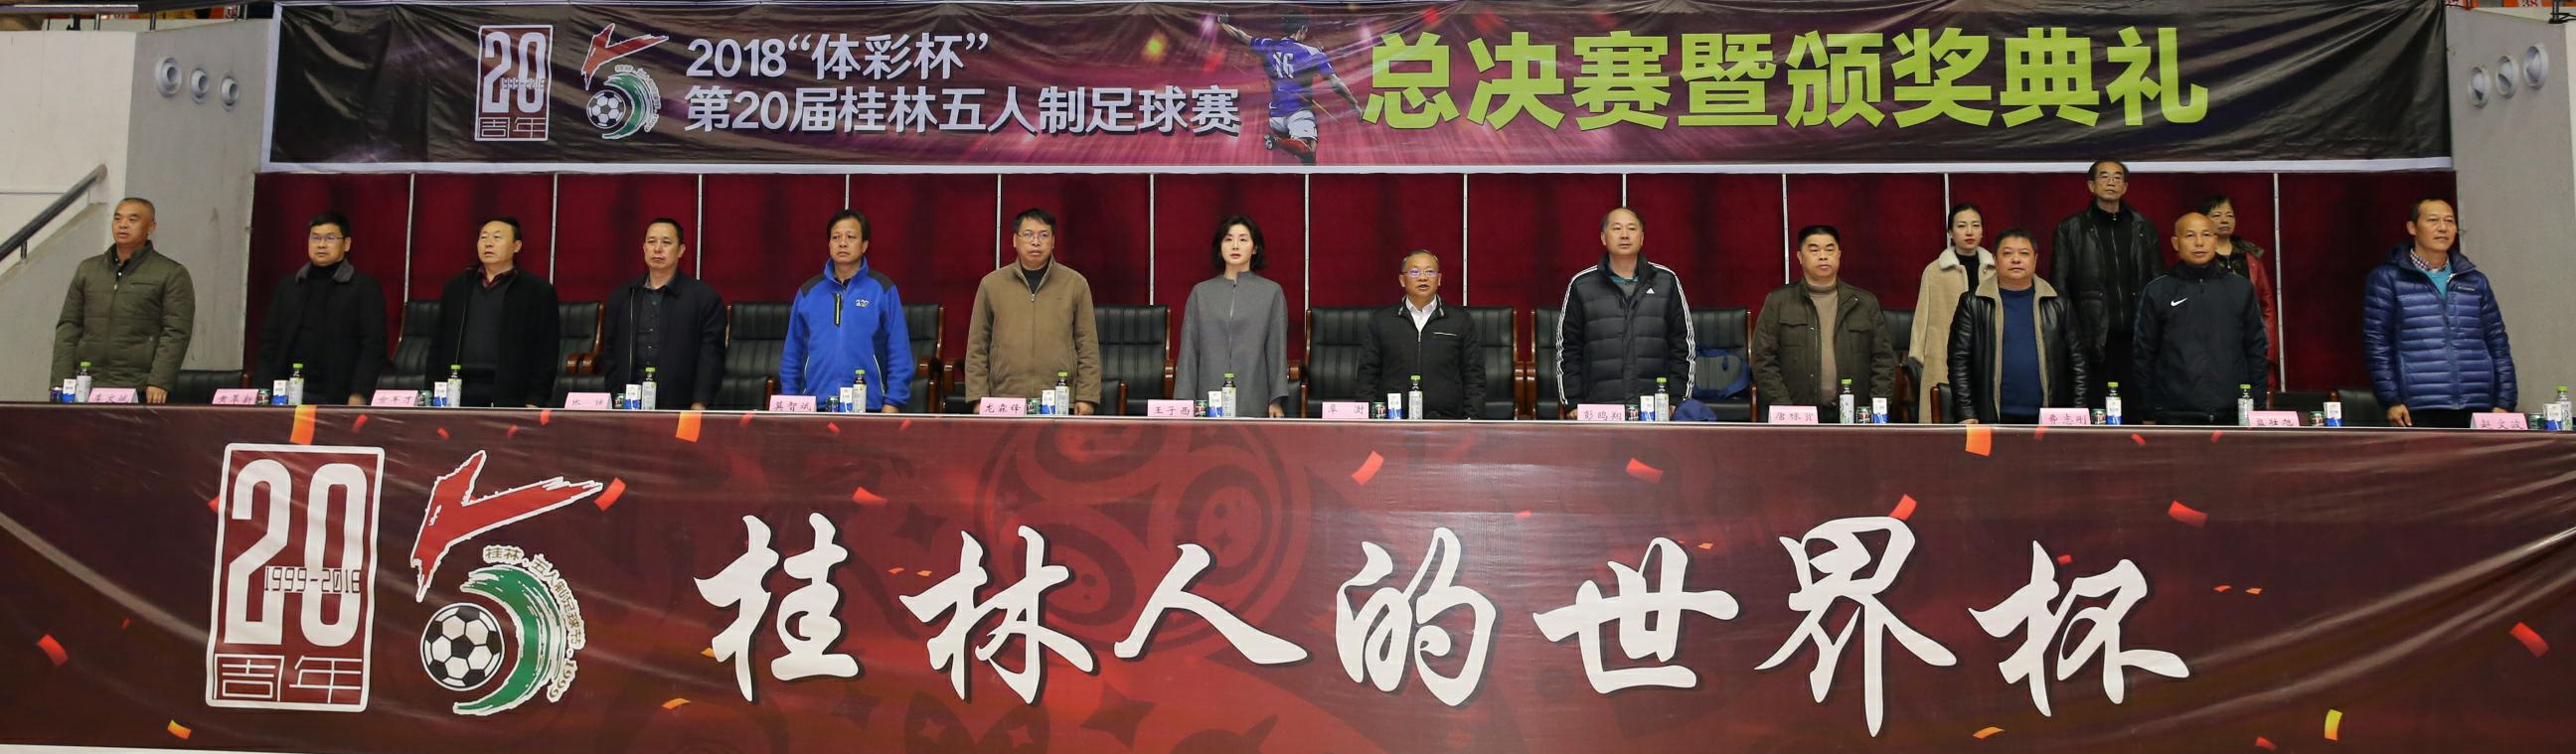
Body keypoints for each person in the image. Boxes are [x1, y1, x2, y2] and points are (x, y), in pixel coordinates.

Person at [2361, 199, 2517, 428]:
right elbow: (2377, 343)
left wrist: (2504, 401)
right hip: (2417, 405)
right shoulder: (2387, 278)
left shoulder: (2475, 281)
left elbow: (2497, 343)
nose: (2443, 228)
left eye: (2449, 221)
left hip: (2477, 402)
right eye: (2433, 220)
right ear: (2412, 227)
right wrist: (2391, 400)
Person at [53, 198, 194, 403]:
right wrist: (61, 381)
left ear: (151, 227)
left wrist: (160, 381)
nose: (123, 225)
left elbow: (176, 332)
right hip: (86, 382)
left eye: (132, 219)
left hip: (139, 385)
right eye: (117, 218)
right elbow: (69, 326)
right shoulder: (88, 270)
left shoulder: (170, 273)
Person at [2131, 214, 2267, 425]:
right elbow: (2144, 355)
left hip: (2233, 413)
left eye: (2206, 235)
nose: (2199, 242)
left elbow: (2256, 349)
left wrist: (2257, 406)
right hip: (2175, 415)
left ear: (2215, 240)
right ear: (2175, 243)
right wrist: (2148, 411)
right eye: (2190, 236)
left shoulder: (2240, 288)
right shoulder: (2158, 291)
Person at [1752, 225, 1896, 421]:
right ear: (1799, 257)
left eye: (1829, 250)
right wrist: (1784, 407)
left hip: (1856, 415)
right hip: (1798, 414)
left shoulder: (1864, 302)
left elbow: (1883, 360)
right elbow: (1763, 359)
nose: (1822, 256)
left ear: (1839, 255)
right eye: (1814, 250)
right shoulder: (1779, 301)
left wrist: (1875, 411)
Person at [1555, 208, 1693, 413]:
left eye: (1631, 228)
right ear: (1603, 237)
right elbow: (1569, 349)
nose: (1625, 235)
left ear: (1642, 237)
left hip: (1656, 408)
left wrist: (1677, 400)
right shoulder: (1582, 285)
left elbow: (1682, 345)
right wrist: (1573, 402)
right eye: (1616, 228)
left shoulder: (1666, 281)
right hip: (1599, 408)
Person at [1947, 228, 2091, 424]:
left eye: (2024, 253)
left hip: (2049, 417)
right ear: (1995, 259)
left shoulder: (2058, 304)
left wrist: (2078, 412)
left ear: (2035, 259)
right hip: (1990, 416)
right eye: (2007, 253)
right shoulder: (1973, 303)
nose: (2016, 259)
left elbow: (2078, 362)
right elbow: (1959, 362)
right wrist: (1966, 412)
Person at [965, 208, 1101, 413]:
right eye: (1028, 234)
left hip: (1060, 398)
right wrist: (978, 398)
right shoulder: (991, 284)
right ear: (1014, 240)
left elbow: (1087, 345)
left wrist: (1086, 397)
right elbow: (977, 346)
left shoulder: (1075, 284)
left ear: (1053, 241)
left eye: (1043, 235)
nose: (1035, 242)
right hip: (1005, 398)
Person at [780, 210, 911, 412]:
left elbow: (899, 350)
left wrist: (893, 402)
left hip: (868, 406)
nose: (842, 243)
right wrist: (790, 400)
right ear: (829, 244)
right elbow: (792, 352)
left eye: (850, 237)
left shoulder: (883, 290)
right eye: (836, 237)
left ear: (864, 245)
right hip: (813, 407)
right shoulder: (808, 292)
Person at [2051, 159, 2159, 403]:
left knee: (2134, 407)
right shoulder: (2070, 229)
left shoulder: (2143, 227)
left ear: (2125, 187)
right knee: (2095, 407)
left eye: (2117, 177)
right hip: (2091, 334)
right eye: (2104, 176)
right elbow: (2060, 286)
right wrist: (2068, 333)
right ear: (2091, 185)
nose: (2111, 182)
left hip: (2135, 334)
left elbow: (2156, 281)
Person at [252, 211, 387, 405]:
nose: (321, 244)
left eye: (330, 238)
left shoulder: (364, 288)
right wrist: (263, 389)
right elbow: (270, 342)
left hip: (339, 394)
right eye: (315, 238)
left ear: (346, 244)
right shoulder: (289, 286)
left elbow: (373, 346)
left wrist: (359, 393)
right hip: (286, 392)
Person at [427, 216, 560, 407]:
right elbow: (438, 344)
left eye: (497, 237)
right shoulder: (457, 287)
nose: (488, 243)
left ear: (516, 246)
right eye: (483, 237)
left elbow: (547, 351)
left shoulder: (537, 291)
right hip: (456, 389)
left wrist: (535, 400)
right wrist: (432, 390)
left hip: (509, 392)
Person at [600, 217, 726, 410]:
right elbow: (610, 352)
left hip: (680, 404)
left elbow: (711, 356)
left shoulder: (704, 299)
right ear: (644, 248)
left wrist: (700, 402)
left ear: (681, 250)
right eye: (651, 242)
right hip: (628, 403)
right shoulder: (623, 297)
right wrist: (613, 395)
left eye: (666, 242)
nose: (657, 249)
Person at [1175, 216, 1289, 416]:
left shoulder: (1272, 293)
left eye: (1243, 239)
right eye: (1228, 239)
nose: (1235, 245)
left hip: (1254, 393)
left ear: (1255, 248)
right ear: (1220, 247)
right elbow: (1189, 350)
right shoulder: (1201, 292)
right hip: (1207, 394)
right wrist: (1184, 401)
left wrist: (1276, 400)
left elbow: (1276, 349)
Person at [1216, 10, 1362, 166]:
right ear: (1303, 28)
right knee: (1309, 153)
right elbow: (1336, 84)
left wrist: (1223, 24)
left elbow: (1240, 36)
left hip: (1276, 116)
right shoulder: (1312, 53)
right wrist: (1354, 104)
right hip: (1299, 112)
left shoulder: (1268, 45)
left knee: (1303, 155)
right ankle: (1279, 142)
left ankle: (1285, 143)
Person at [1357, 249, 1486, 419]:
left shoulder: (1460, 320)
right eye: (1414, 272)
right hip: (1393, 419)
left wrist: (1472, 419)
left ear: (1439, 279)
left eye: (1429, 272)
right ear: (1402, 280)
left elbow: (1474, 375)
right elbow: (1367, 375)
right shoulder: (1381, 320)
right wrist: (1369, 418)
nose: (1423, 278)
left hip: (1447, 419)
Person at [1909, 204, 1993, 421]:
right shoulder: (1935, 270)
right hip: (1943, 353)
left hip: (1987, 354)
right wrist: (1919, 351)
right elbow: (1922, 315)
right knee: (1943, 418)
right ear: (1950, 232)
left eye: (1975, 225)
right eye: (1961, 226)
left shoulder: (1995, 270)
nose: (1969, 231)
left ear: (1982, 231)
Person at [2202, 195, 2279, 391]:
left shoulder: (2251, 260)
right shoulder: (2200, 259)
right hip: (2213, 346)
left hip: (2249, 344)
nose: (2224, 220)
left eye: (2229, 215)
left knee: (2252, 398)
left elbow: (2267, 308)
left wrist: (2268, 351)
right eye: (2217, 215)